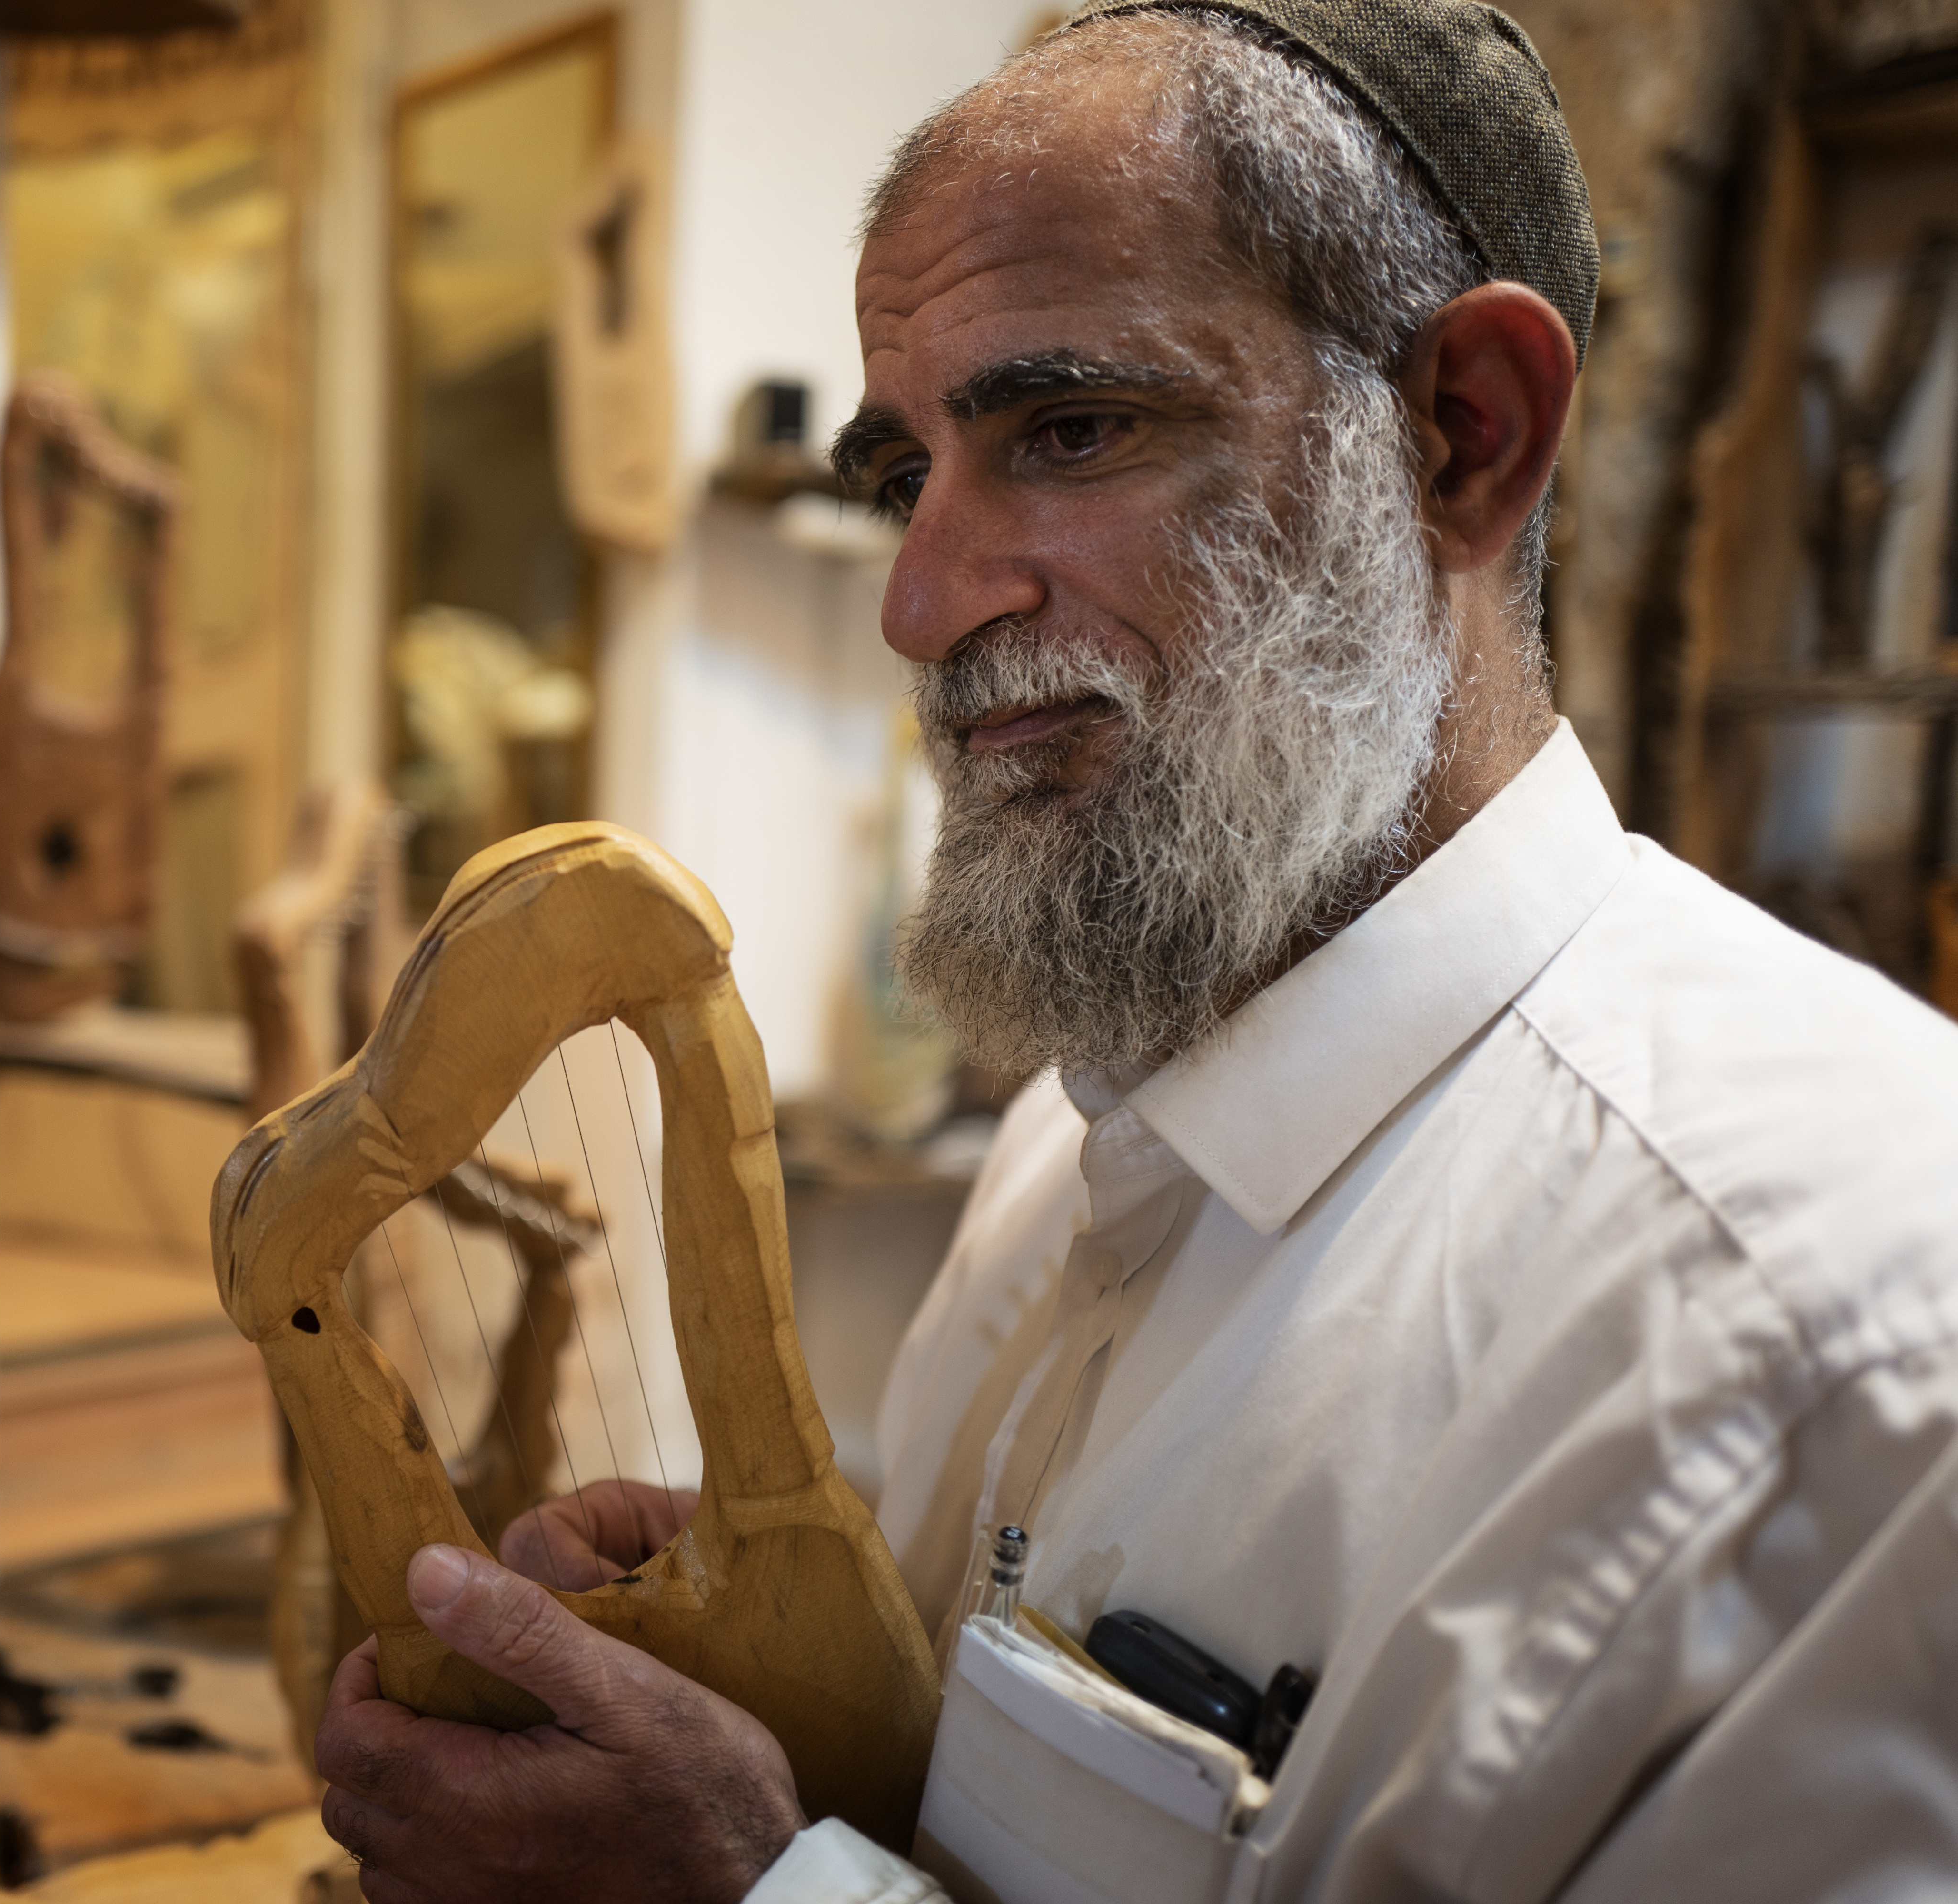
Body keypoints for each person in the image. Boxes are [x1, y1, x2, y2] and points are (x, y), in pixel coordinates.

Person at [312, 5, 1958, 1899]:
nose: (922, 605)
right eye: (896, 475)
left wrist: (745, 1886)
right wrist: (750, 1693)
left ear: (1463, 434)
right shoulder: (1070, 1143)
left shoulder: (1850, 1342)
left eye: (1070, 429)